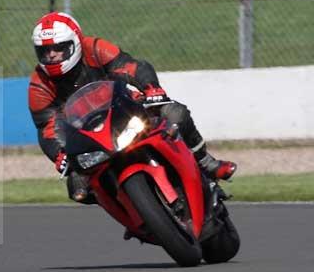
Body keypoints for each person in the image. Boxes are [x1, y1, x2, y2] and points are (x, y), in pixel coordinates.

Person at [28, 11, 237, 203]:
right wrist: (60, 155)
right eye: (45, 51)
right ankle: (131, 212)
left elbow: (131, 67)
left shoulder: (95, 48)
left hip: (126, 109)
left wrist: (151, 89)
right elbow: (47, 126)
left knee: (175, 113)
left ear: (76, 43)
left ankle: (206, 164)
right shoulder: (39, 83)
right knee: (78, 189)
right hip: (89, 136)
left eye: (59, 48)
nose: (52, 55)